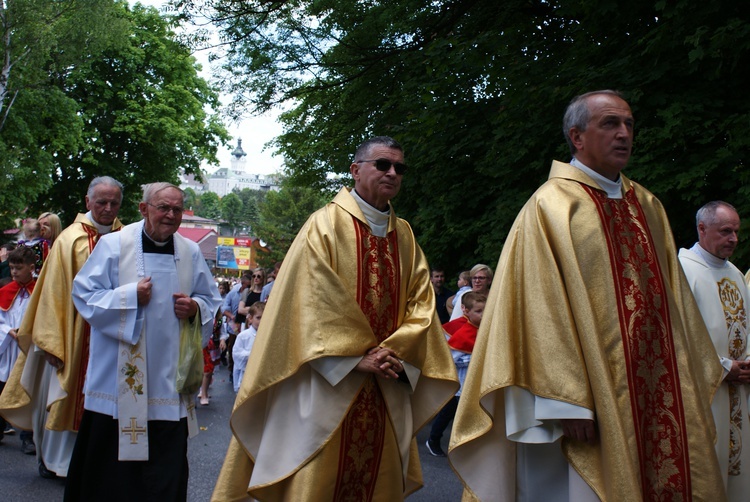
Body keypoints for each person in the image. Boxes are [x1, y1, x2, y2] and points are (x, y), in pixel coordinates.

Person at [449, 90, 725, 501]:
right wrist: (567, 404)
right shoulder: (551, 207)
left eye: (629, 124)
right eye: (610, 123)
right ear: (576, 137)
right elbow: (540, 313)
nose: (623, 133)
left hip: (656, 391)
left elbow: (676, 307)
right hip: (584, 400)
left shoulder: (648, 206)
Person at [212, 136, 458, 501]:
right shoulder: (324, 225)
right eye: (383, 164)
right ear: (355, 170)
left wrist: (389, 352)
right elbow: (309, 302)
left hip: (386, 382)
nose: (392, 173)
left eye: (399, 168)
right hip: (328, 383)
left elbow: (422, 305)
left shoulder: (404, 235)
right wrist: (356, 357)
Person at [65, 182, 221, 500]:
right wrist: (129, 297)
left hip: (169, 383)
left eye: (177, 209)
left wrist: (194, 308)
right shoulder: (113, 246)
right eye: (163, 207)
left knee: (164, 475)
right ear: (143, 208)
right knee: (109, 476)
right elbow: (83, 295)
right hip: (116, 383)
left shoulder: (190, 252)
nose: (171, 215)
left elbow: (210, 301)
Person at [0, 176, 124, 479]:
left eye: (114, 203)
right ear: (87, 202)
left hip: (113, 337)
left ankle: (96, 461)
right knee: (64, 396)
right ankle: (56, 462)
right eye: (101, 202)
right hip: (73, 335)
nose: (108, 208)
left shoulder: (127, 238)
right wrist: (49, 343)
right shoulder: (70, 240)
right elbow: (51, 295)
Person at [679, 201, 750, 499]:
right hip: (702, 395)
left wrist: (746, 363)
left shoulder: (735, 273)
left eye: (735, 231)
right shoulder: (682, 271)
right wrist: (724, 367)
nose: (733, 238)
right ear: (702, 229)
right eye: (725, 231)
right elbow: (678, 337)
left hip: (738, 394)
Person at [426, 291, 486, 457]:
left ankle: (467, 444)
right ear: (466, 311)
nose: (483, 315)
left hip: (476, 381)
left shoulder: (482, 329)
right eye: (479, 311)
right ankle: (433, 439)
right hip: (461, 381)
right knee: (449, 412)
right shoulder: (463, 331)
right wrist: (475, 360)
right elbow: (452, 358)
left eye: (485, 311)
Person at [0, 247, 37, 453]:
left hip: (28, 350)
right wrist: (8, 331)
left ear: (31, 268)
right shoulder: (4, 292)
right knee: (2, 387)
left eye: (18, 268)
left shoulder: (39, 291)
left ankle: (27, 437)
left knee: (26, 391)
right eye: (12, 268)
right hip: (8, 349)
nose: (14, 272)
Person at [231, 301, 265, 393]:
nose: (262, 321)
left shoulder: (268, 336)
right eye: (258, 318)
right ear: (250, 318)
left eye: (265, 317)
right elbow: (237, 355)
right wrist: (254, 355)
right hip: (247, 375)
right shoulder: (243, 336)